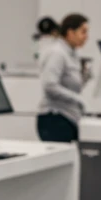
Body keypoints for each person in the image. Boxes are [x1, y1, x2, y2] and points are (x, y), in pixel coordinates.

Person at [37, 12, 89, 142]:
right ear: (70, 32)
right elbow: (49, 86)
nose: (86, 37)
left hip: (69, 117)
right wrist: (78, 99)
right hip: (54, 119)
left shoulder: (73, 54)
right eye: (83, 32)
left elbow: (73, 87)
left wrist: (86, 76)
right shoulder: (58, 53)